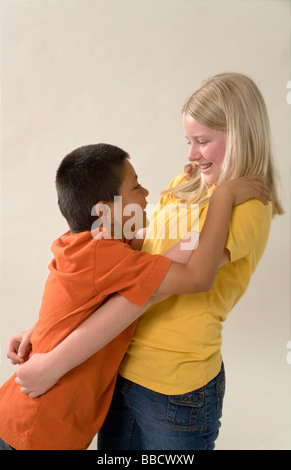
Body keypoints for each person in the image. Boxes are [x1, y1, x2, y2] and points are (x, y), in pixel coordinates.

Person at [0, 141, 270, 451]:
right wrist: (222, 198)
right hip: (37, 429)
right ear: (105, 210)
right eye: (136, 187)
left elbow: (149, 245)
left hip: (20, 416)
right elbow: (195, 274)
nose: (146, 195)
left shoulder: (80, 243)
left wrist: (188, 200)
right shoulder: (110, 257)